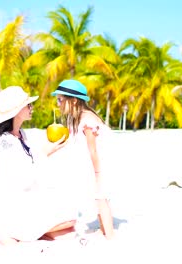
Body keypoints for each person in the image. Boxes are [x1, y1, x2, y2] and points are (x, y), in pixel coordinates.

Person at [0, 85, 77, 245]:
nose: (31, 107)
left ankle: (24, 235)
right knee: (70, 222)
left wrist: (49, 150)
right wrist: (44, 153)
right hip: (16, 206)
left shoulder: (21, 135)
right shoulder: (5, 142)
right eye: (28, 105)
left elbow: (31, 160)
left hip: (27, 202)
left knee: (69, 232)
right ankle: (10, 233)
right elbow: (21, 177)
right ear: (17, 111)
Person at [51, 79, 115, 240]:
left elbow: (93, 149)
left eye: (60, 99)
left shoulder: (87, 120)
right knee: (97, 196)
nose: (57, 103)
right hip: (97, 163)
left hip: (101, 164)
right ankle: (103, 229)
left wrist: (98, 172)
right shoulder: (79, 118)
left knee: (101, 198)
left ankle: (110, 235)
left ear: (73, 101)